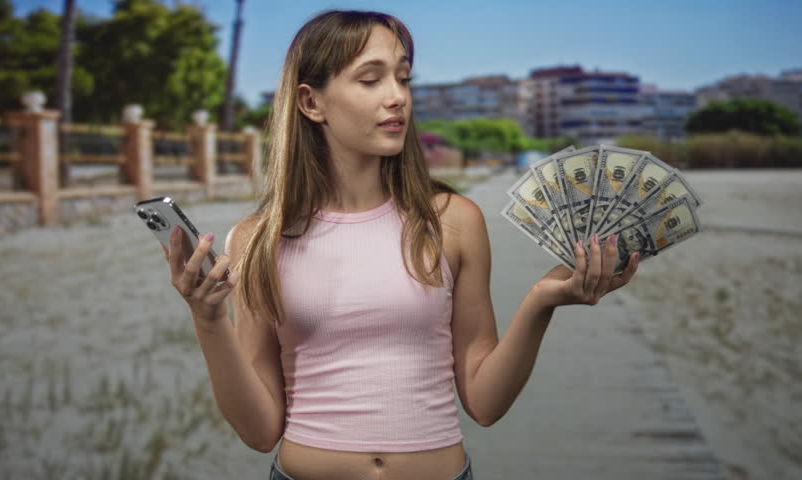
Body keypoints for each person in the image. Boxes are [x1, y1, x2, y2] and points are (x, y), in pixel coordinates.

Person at [162, 9, 639, 480]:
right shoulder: (256, 239)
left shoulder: (454, 221)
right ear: (312, 103)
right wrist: (208, 322)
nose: (397, 97)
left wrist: (542, 301)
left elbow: (486, 403)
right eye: (371, 80)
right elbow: (260, 429)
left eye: (404, 78)